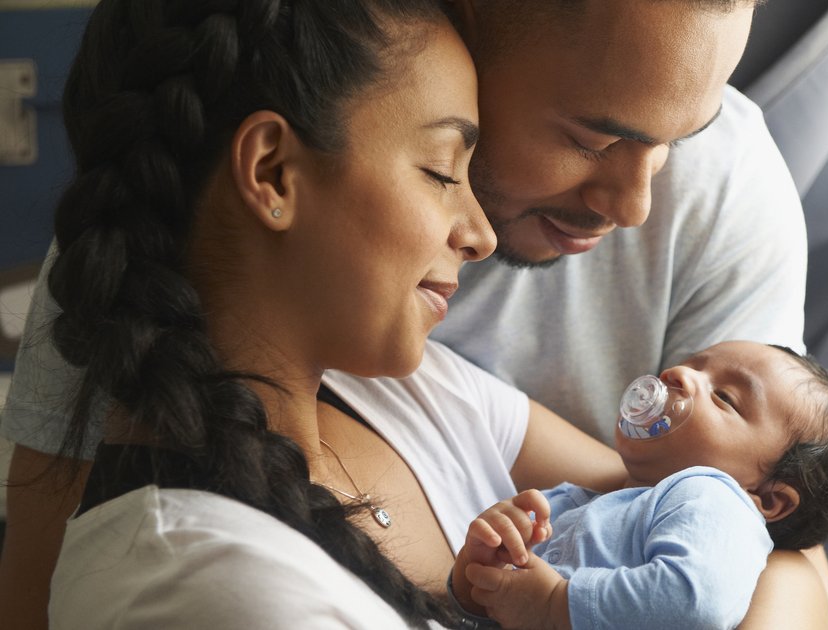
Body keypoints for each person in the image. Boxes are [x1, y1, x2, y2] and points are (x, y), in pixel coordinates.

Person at [2, 0, 828, 628]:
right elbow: (42, 592)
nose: (636, 202)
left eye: (678, 141)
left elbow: (770, 525)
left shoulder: (427, 395)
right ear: (463, 40)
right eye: (591, 140)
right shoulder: (153, 255)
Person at [13, 0, 516, 626]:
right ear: (272, 172)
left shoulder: (249, 524)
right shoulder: (209, 588)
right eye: (441, 172)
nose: (481, 234)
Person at [450, 342, 828, 629]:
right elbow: (487, 607)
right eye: (695, 364)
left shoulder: (714, 498)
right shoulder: (586, 501)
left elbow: (695, 601)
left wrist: (555, 603)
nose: (679, 374)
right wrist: (481, 567)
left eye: (724, 397)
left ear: (767, 498)